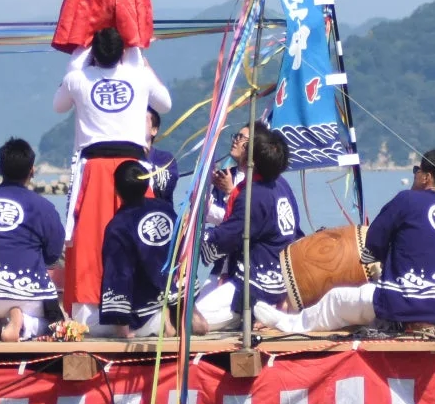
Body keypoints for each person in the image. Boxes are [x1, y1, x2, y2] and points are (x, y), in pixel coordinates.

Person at [254, 149, 435, 337]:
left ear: (426, 177)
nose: (415, 175)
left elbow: (372, 244)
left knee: (337, 299)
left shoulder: (407, 199)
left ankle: (289, 324)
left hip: (405, 305)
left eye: (417, 171)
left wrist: (374, 259)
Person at [54, 27, 172, 326]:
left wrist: (79, 57)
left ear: (94, 51)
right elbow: (165, 104)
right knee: (143, 234)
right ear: (123, 50)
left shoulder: (78, 78)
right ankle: (147, 307)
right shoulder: (139, 76)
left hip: (96, 167)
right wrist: (138, 56)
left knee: (91, 241)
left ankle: (89, 315)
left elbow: (59, 105)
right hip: (133, 166)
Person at [193, 129, 303, 333]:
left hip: (257, 285)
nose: (241, 146)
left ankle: (261, 313)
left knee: (189, 322)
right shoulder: (281, 185)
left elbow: (228, 236)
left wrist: (195, 238)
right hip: (280, 278)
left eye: (247, 145)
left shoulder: (254, 195)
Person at [0, 138, 65, 342]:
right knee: (52, 325)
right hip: (23, 295)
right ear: (32, 171)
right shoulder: (44, 207)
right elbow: (52, 254)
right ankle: (23, 322)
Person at [96, 159, 175, 339]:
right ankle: (178, 314)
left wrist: (122, 330)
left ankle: (155, 321)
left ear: (116, 190)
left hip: (142, 312)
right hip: (174, 296)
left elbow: (118, 275)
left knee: (86, 323)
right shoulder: (165, 208)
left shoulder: (118, 225)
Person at [206, 126, 251, 224]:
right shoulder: (224, 176)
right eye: (236, 136)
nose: (235, 140)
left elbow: (243, 221)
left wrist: (230, 190)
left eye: (241, 137)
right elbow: (204, 218)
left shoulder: (257, 180)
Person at [145, 108, 177, 203]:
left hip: (159, 214)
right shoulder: (121, 157)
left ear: (154, 130)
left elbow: (166, 188)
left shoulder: (165, 159)